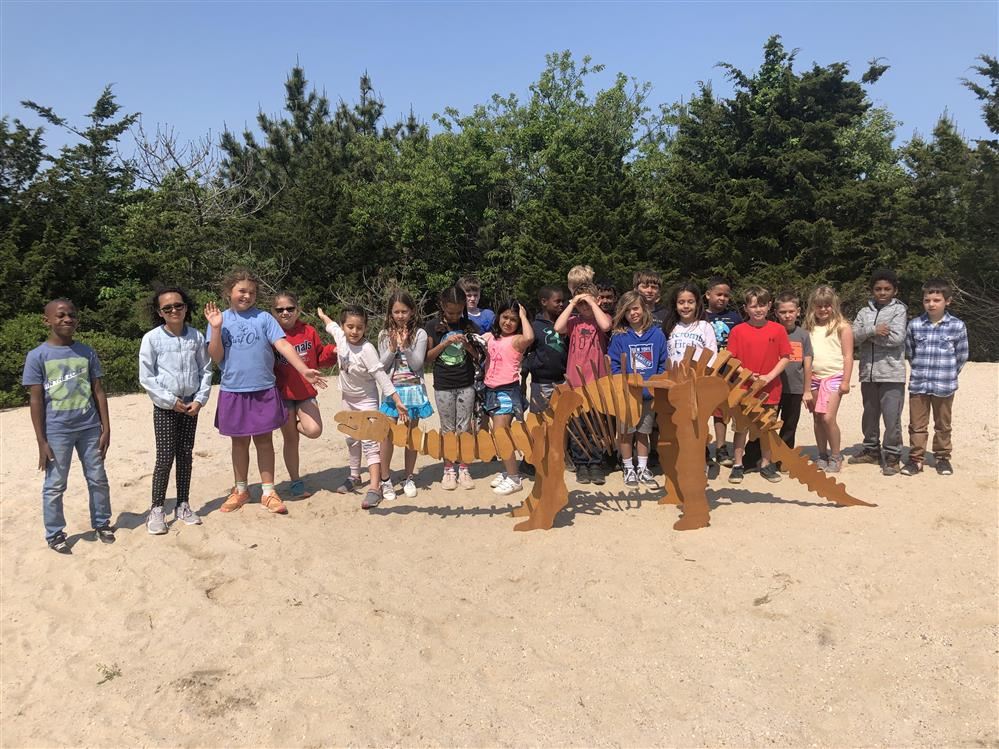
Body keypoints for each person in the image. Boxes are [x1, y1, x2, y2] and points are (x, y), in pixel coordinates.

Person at [205, 267, 326, 516]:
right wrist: (216, 328)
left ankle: (268, 491)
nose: (246, 296)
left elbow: (282, 344)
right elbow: (216, 356)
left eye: (251, 292)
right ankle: (241, 490)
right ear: (229, 292)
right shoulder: (220, 320)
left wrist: (304, 369)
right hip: (233, 389)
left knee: (264, 441)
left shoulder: (264, 318)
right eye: (241, 291)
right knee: (239, 443)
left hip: (263, 388)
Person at [23, 298, 114, 553]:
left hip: (89, 428)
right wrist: (41, 441)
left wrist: (106, 428)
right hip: (57, 430)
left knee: (98, 478)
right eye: (61, 315)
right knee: (55, 484)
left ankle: (102, 523)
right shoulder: (37, 356)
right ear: (47, 320)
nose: (67, 319)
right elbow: (36, 399)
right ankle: (54, 534)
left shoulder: (87, 352)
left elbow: (98, 390)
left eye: (72, 315)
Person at [138, 286, 213, 535]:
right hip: (165, 406)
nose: (173, 310)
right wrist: (170, 400)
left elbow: (206, 370)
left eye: (178, 305)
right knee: (164, 457)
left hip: (191, 404)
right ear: (159, 312)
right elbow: (146, 377)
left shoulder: (197, 337)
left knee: (185, 455)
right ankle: (157, 508)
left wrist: (200, 399)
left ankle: (183, 503)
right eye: (167, 307)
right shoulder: (151, 338)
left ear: (186, 307)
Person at [317, 305, 407, 508]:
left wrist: (396, 399)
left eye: (359, 327)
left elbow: (380, 375)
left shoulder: (367, 349)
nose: (354, 331)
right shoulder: (340, 337)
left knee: (370, 442)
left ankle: (375, 487)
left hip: (367, 401)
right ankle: (354, 476)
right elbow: (330, 326)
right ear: (344, 326)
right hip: (347, 399)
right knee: (351, 439)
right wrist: (323, 315)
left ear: (365, 328)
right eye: (350, 326)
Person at [272, 291, 337, 499]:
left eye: (290, 308)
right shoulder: (270, 333)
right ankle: (295, 481)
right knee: (290, 441)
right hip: (282, 394)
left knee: (314, 430)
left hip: (305, 392)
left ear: (297, 310)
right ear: (273, 312)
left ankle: (295, 425)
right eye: (280, 309)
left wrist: (333, 352)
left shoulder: (308, 331)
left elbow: (319, 357)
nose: (285, 313)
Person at [901, 278, 969, 477]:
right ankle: (916, 459)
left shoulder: (957, 326)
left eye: (936, 300)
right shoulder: (915, 325)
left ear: (947, 301)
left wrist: (948, 373)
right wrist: (921, 370)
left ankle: (942, 458)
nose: (931, 304)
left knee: (943, 424)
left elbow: (962, 355)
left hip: (944, 384)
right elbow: (910, 352)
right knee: (917, 424)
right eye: (927, 300)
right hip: (919, 383)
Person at [726, 286, 791, 484]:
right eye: (753, 306)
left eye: (762, 305)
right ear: (746, 308)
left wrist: (769, 376)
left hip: (770, 389)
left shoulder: (778, 329)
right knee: (741, 428)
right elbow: (731, 359)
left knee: (767, 428)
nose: (758, 309)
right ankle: (738, 464)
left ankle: (766, 463)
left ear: (769, 306)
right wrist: (746, 374)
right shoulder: (738, 331)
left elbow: (786, 357)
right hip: (743, 389)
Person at [849, 269, 908, 475]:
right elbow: (852, 337)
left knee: (892, 418)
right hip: (868, 372)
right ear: (872, 290)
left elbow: (896, 339)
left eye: (887, 289)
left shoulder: (899, 311)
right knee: (870, 415)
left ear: (895, 290)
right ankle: (871, 450)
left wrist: (866, 335)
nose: (882, 292)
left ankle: (892, 456)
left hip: (892, 373)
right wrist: (874, 330)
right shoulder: (864, 312)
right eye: (878, 289)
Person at [554, 282, 613, 485]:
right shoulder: (573, 322)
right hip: (575, 383)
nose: (584, 306)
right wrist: (572, 304)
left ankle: (595, 462)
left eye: (588, 302)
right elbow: (557, 327)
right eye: (581, 303)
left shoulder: (601, 320)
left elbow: (606, 326)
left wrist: (591, 301)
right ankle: (581, 463)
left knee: (596, 424)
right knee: (578, 424)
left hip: (596, 383)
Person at [423, 286, 481, 490]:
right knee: (448, 428)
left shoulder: (469, 325)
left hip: (466, 383)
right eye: (450, 312)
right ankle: (448, 468)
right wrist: (444, 343)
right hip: (444, 384)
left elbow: (480, 356)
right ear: (442, 307)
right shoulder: (432, 326)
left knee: (464, 427)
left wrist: (467, 346)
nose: (455, 316)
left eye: (458, 312)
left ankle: (464, 467)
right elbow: (427, 359)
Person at [608, 292, 668, 489]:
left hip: (647, 394)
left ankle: (642, 467)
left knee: (644, 432)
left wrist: (653, 384)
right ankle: (628, 467)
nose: (632, 313)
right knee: (626, 433)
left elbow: (661, 363)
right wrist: (624, 384)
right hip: (626, 395)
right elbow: (615, 365)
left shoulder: (657, 334)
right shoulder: (620, 337)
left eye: (635, 308)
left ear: (644, 309)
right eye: (627, 310)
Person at [377, 290, 432, 500]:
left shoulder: (420, 334)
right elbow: (380, 365)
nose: (400, 316)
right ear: (390, 313)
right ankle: (385, 479)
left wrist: (406, 346)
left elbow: (418, 363)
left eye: (404, 311)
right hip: (392, 392)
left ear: (412, 312)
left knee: (411, 435)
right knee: (387, 435)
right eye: (396, 312)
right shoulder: (384, 335)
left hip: (414, 391)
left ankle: (409, 477)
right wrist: (392, 348)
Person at [483, 301, 535, 495]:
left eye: (513, 319)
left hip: (507, 391)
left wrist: (523, 315)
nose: (508, 322)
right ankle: (508, 471)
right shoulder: (490, 337)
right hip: (490, 391)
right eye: (505, 317)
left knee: (501, 433)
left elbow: (530, 337)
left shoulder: (517, 339)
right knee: (499, 434)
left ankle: (514, 478)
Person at [803, 285, 854, 474]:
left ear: (833, 305)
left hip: (834, 377)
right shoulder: (809, 328)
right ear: (813, 307)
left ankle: (835, 454)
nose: (823, 310)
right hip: (814, 377)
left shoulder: (842, 327)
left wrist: (846, 381)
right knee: (817, 417)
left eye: (827, 306)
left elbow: (848, 355)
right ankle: (822, 453)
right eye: (819, 306)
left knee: (828, 417)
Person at [704, 276, 743, 467]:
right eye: (718, 294)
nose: (722, 298)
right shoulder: (700, 316)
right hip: (705, 369)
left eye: (726, 295)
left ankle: (721, 448)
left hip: (728, 370)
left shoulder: (735, 317)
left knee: (722, 410)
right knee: (702, 410)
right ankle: (701, 447)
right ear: (708, 294)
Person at [772, 291, 813, 468]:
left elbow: (808, 364)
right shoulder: (772, 331)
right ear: (776, 313)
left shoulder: (803, 335)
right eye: (783, 312)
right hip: (773, 388)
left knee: (789, 425)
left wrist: (807, 390)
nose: (787, 315)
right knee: (769, 424)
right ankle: (765, 457)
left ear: (798, 311)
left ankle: (784, 459)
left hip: (795, 388)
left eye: (791, 311)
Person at [522, 285, 567, 414]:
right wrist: (523, 381)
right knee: (540, 422)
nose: (561, 304)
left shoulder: (566, 324)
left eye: (563, 301)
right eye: (557, 301)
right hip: (541, 384)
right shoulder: (535, 327)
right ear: (544, 302)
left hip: (563, 381)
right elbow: (527, 355)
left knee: (562, 420)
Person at [662, 282, 718, 364]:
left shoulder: (705, 327)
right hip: (673, 375)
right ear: (675, 306)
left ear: (697, 304)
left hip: (697, 375)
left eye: (690, 302)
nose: (686, 306)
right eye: (681, 302)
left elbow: (712, 356)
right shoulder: (669, 327)